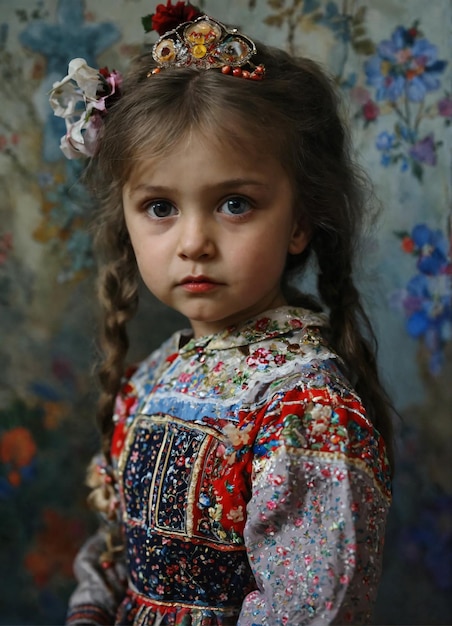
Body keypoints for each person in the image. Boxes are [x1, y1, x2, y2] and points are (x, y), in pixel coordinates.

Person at [50, 3, 394, 625]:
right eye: (159, 207)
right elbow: (114, 555)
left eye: (235, 203)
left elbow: (307, 611)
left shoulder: (303, 408)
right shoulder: (153, 379)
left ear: (297, 222)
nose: (193, 243)